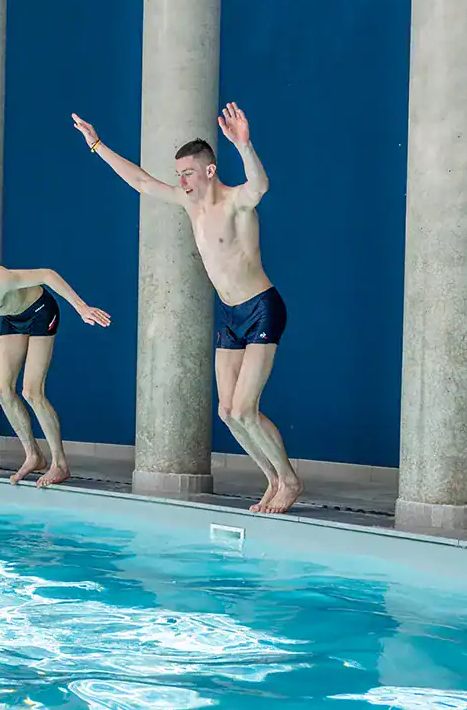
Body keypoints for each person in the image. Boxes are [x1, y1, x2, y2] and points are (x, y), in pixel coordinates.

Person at [72, 103, 302, 513]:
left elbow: (260, 186)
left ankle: (289, 479)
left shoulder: (235, 202)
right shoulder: (189, 204)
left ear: (209, 170)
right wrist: (97, 145)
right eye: (179, 175)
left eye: (189, 173)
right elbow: (141, 182)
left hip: (262, 308)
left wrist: (244, 146)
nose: (182, 181)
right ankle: (271, 479)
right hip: (231, 316)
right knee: (229, 412)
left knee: (247, 408)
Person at [0, 255, 111, 488]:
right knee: (1, 390)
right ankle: (33, 455)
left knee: (32, 392)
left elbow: (47, 274)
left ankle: (60, 464)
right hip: (13, 318)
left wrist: (81, 308)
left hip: (41, 311)